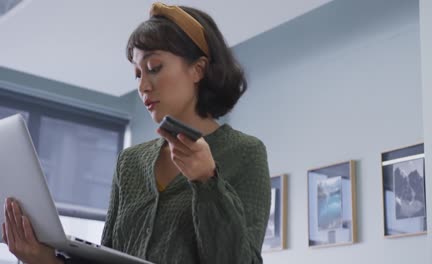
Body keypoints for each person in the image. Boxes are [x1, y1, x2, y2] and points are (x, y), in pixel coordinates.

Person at [1, 2, 271, 264]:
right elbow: (106, 257)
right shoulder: (129, 162)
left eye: (154, 68)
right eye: (137, 74)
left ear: (198, 69)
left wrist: (207, 182)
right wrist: (44, 260)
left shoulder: (245, 153)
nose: (142, 86)